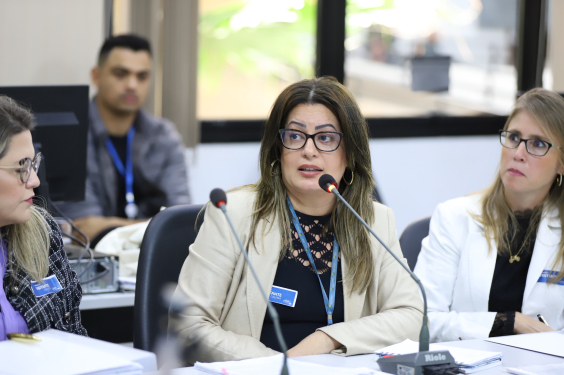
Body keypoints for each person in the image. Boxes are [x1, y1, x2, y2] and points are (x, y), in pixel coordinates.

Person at [170, 77, 423, 365]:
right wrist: (280, 366)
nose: (309, 150)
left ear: (351, 154)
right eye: (295, 136)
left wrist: (326, 339)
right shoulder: (234, 214)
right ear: (278, 149)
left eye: (326, 138)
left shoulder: (373, 220)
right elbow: (188, 325)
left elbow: (413, 315)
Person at [414, 88, 564, 343]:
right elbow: (421, 319)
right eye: (514, 137)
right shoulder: (454, 217)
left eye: (538, 143)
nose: (518, 153)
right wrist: (510, 322)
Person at [58, 34, 190, 245]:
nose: (131, 85)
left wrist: (107, 224)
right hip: (92, 263)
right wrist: (154, 226)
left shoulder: (164, 136)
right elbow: (81, 230)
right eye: (121, 74)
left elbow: (180, 221)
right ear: (96, 76)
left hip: (153, 259)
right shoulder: (70, 135)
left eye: (142, 76)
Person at [0, 96, 87, 339]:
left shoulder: (41, 230)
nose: (34, 181)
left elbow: (74, 340)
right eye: (21, 168)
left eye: (33, 164)